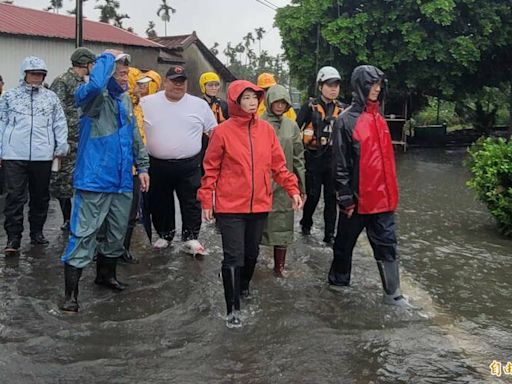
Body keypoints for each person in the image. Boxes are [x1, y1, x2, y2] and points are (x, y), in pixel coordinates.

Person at [197, 80, 302, 328]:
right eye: (245, 98)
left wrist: (293, 189)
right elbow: (210, 168)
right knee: (233, 256)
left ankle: (243, 288)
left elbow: (279, 166)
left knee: (251, 254)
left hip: (259, 205)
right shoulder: (222, 132)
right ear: (235, 102)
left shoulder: (266, 130)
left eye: (255, 97)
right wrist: (206, 200)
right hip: (230, 206)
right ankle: (232, 309)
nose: (251, 102)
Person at [60, 50, 149, 312]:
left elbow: (136, 139)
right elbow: (97, 84)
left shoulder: (124, 102)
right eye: (120, 72)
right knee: (84, 234)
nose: (126, 77)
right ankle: (70, 295)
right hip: (94, 180)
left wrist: (142, 167)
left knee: (117, 233)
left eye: (126, 72)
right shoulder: (92, 99)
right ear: (106, 70)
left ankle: (105, 276)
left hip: (122, 180)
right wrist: (107, 58)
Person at [329, 65, 412, 308]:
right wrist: (345, 197)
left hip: (382, 200)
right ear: (360, 86)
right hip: (356, 200)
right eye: (372, 84)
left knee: (388, 244)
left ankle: (393, 294)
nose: (376, 89)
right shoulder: (345, 122)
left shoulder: (379, 118)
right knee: (343, 246)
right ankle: (338, 285)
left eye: (379, 84)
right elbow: (340, 163)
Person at [140, 65, 217, 249]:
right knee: (159, 201)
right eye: (174, 81)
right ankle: (165, 235)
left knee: (191, 201)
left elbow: (214, 132)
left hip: (190, 164)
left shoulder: (199, 105)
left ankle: (191, 236)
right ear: (165, 82)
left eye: (182, 82)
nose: (178, 86)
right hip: (157, 163)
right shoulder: (146, 103)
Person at [0, 56, 69, 254]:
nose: (37, 78)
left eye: (40, 74)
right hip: (14, 153)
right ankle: (13, 238)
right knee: (14, 197)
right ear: (24, 75)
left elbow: (59, 122)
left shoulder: (51, 98)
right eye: (33, 74)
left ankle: (37, 232)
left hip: (42, 154)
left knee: (40, 196)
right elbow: (1, 122)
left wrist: (60, 145)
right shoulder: (9, 97)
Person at [260, 84, 305, 278]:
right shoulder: (258, 123)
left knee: (283, 224)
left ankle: (279, 267)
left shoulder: (291, 125)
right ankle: (248, 265)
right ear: (269, 101)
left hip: (285, 182)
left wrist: (302, 187)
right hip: (261, 182)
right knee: (257, 224)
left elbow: (298, 157)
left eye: (283, 102)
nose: (280, 106)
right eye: (276, 101)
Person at [297, 66, 345, 245]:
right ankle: (306, 223)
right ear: (320, 86)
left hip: (333, 160)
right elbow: (295, 129)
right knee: (314, 195)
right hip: (313, 158)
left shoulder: (342, 109)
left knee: (332, 198)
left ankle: (329, 236)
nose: (333, 88)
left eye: (336, 85)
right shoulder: (309, 107)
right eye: (329, 84)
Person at [50, 47, 96, 231]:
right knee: (64, 182)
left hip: (86, 140)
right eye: (92, 63)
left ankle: (80, 218)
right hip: (68, 141)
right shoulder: (62, 81)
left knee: (83, 181)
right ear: (85, 63)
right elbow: (55, 110)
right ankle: (68, 219)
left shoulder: (89, 81)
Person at [121, 67, 161, 263]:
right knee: (111, 212)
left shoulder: (139, 105)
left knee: (131, 212)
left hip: (137, 167)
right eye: (137, 83)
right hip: (118, 167)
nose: (141, 87)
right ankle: (104, 253)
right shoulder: (121, 104)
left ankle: (123, 250)